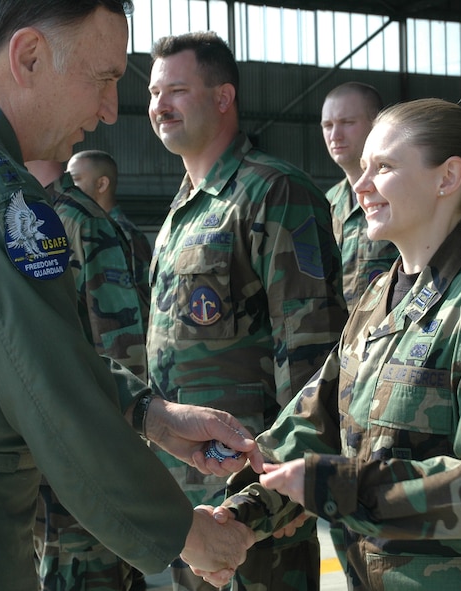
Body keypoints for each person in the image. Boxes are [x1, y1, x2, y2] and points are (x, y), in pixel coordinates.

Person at [0, 2, 261, 590]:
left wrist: (148, 413)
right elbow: (49, 393)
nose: (111, 110)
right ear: (29, 56)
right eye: (104, 78)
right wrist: (188, 533)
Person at [201, 98, 461, 590]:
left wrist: (342, 488)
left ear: (446, 178)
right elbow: (315, 421)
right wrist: (238, 515)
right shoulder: (379, 298)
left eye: (385, 167)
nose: (361, 184)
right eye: (364, 167)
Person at [146, 31, 348, 591]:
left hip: (254, 496)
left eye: (177, 90)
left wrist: (292, 484)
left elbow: (313, 353)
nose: (160, 105)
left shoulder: (274, 192)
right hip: (189, 498)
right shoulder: (182, 210)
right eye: (154, 92)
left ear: (222, 97)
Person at [27, 157, 150, 591]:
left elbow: (124, 350)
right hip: (33, 465)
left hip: (79, 459)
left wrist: (114, 455)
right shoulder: (19, 210)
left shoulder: (80, 221)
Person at [320, 82, 399, 311]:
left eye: (347, 123)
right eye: (327, 125)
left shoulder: (399, 194)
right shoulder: (328, 201)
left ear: (376, 123)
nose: (335, 135)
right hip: (342, 341)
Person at [68, 149, 152, 330]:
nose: (69, 188)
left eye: (75, 179)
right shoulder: (88, 228)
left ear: (101, 184)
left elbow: (131, 309)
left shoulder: (122, 234)